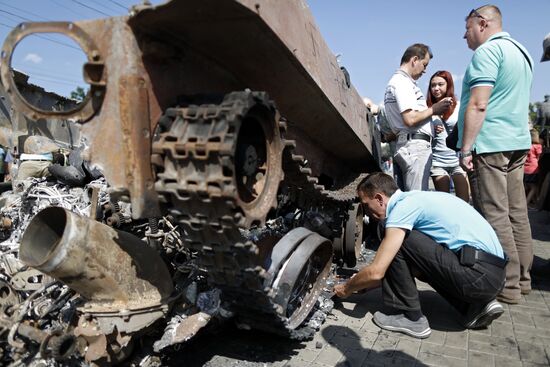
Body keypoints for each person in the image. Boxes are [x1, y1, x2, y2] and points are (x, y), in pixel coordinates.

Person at [333, 173, 505, 339]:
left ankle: (411, 318)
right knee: (412, 257)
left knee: (396, 240)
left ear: (379, 198)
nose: (366, 212)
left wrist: (347, 288)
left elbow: (377, 271)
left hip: (477, 276)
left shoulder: (402, 209)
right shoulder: (420, 199)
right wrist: (362, 285)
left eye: (365, 204)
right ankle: (473, 306)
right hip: (493, 275)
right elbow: (409, 268)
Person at [457, 5, 533, 304]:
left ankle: (507, 286)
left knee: (494, 215)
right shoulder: (522, 53)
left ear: (482, 23)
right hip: (517, 141)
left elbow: (478, 104)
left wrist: (465, 148)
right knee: (517, 212)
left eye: (467, 29)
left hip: (490, 144)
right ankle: (524, 280)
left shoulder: (487, 53)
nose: (464, 35)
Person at [384, 43, 452, 191]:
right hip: (415, 148)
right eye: (424, 64)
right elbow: (410, 119)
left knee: (410, 200)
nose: (425, 70)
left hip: (408, 145)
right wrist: (434, 109)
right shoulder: (403, 82)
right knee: (417, 200)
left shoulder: (396, 82)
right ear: (414, 60)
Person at [426, 71, 469, 201]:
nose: (436, 88)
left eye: (440, 84)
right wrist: (430, 128)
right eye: (433, 85)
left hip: (457, 160)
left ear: (448, 85)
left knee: (464, 202)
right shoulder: (427, 108)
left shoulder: (459, 106)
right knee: (445, 203)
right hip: (437, 161)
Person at [524, 130, 542, 206]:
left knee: (526, 186)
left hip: (525, 169)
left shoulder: (527, 145)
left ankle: (533, 202)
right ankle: (526, 204)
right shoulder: (538, 146)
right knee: (534, 188)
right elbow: (539, 157)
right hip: (533, 169)